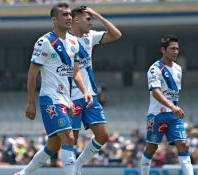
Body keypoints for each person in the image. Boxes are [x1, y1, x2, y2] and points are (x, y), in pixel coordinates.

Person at [14, 3, 92, 175]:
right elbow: (32, 73)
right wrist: (30, 102)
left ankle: (23, 173)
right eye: (64, 15)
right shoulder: (45, 42)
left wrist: (83, 92)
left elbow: (75, 72)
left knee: (54, 145)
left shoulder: (73, 42)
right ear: (54, 19)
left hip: (65, 99)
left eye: (70, 14)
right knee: (69, 138)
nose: (69, 17)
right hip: (50, 98)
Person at [69, 6, 122, 175]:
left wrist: (98, 15)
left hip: (90, 96)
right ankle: (69, 171)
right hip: (72, 96)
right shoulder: (64, 40)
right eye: (88, 19)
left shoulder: (89, 37)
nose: (91, 22)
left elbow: (116, 34)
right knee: (72, 140)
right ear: (77, 20)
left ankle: (77, 165)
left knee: (103, 135)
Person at [141, 34, 194, 175]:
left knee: (183, 145)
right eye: (172, 48)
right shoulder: (155, 69)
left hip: (173, 116)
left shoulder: (178, 69)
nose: (176, 51)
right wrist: (172, 106)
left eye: (177, 48)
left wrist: (174, 108)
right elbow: (156, 92)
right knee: (151, 148)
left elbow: (174, 93)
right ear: (163, 50)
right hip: (157, 115)